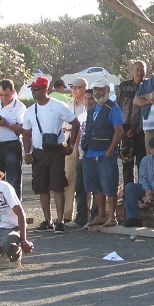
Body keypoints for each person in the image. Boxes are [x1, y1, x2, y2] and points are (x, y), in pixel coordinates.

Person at [22, 75, 78, 233]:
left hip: (55, 151)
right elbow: (26, 133)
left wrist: (70, 144)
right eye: (32, 89)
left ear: (46, 89)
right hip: (38, 151)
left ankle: (60, 220)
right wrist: (27, 152)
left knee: (58, 186)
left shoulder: (58, 105)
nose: (34, 92)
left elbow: (75, 123)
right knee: (41, 187)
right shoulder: (29, 111)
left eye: (37, 89)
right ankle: (48, 221)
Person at [81, 79, 124, 229]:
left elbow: (119, 131)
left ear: (107, 89)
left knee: (109, 185)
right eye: (96, 90)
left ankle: (112, 216)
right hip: (90, 153)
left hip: (105, 153)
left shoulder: (113, 108)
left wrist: (110, 151)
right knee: (96, 187)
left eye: (101, 89)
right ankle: (101, 215)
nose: (98, 92)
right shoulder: (92, 109)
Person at [0, 79, 27, 199]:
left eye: (7, 95)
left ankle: (14, 209)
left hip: (12, 145)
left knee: (13, 179)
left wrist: (7, 124)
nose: (3, 98)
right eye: (1, 95)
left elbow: (23, 129)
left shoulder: (19, 107)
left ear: (13, 92)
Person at [122, 136, 154, 228]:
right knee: (130, 187)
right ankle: (134, 219)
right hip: (148, 191)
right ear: (150, 150)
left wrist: (152, 191)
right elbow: (143, 179)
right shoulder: (145, 161)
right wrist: (147, 191)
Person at [116, 61, 147, 186]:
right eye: (137, 69)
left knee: (142, 163)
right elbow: (118, 107)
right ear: (132, 71)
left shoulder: (148, 86)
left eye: (142, 69)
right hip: (125, 129)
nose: (139, 72)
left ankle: (142, 192)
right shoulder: (123, 86)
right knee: (126, 163)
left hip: (141, 130)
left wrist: (136, 129)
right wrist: (123, 128)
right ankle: (127, 192)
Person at [63, 77, 88, 224]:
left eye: (76, 87)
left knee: (85, 181)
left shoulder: (89, 103)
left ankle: (85, 213)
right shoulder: (69, 104)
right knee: (68, 178)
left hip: (84, 144)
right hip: (70, 143)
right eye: (72, 87)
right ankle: (67, 215)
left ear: (85, 87)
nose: (73, 90)